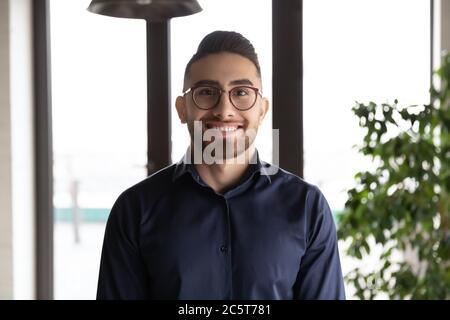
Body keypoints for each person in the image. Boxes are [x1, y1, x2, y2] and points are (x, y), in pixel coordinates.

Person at [96, 30, 345, 300]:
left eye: (241, 92)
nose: (224, 109)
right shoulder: (134, 210)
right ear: (182, 109)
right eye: (206, 92)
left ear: (262, 110)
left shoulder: (307, 207)